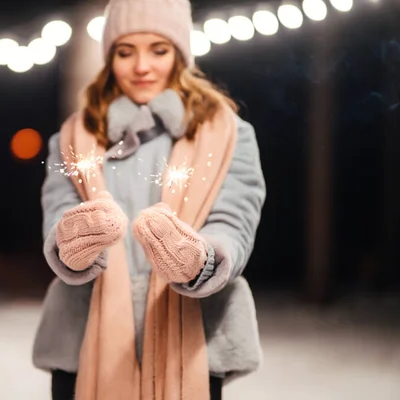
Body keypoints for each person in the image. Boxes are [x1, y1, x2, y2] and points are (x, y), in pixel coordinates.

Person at [32, 0, 266, 398]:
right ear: (110, 57)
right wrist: (71, 240)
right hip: (84, 334)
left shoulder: (228, 134)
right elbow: (59, 210)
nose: (142, 66)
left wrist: (201, 258)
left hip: (195, 335)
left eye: (158, 49)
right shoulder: (74, 136)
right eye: (126, 52)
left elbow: (235, 218)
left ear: (179, 53)